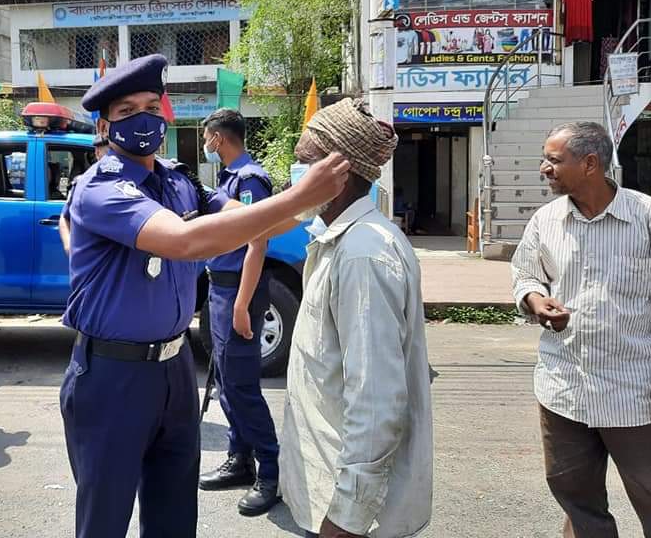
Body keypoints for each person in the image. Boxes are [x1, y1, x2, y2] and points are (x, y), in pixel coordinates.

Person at [61, 54, 351, 538]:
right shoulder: (101, 189)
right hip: (113, 375)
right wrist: (300, 197)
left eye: (152, 105)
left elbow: (256, 223)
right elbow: (185, 241)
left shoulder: (179, 180)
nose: (144, 119)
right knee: (104, 521)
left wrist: (313, 202)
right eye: (127, 111)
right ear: (105, 124)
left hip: (174, 369)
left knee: (175, 514)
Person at [279, 98, 433, 538]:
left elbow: (376, 399)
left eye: (304, 164)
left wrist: (347, 516)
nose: (296, 175)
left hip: (350, 516)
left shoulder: (363, 253)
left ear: (337, 173)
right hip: (330, 489)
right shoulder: (340, 239)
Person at [512, 121, 651, 538]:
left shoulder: (644, 217)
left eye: (554, 160)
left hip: (634, 392)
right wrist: (536, 301)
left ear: (590, 163)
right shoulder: (546, 220)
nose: (544, 168)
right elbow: (525, 274)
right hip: (563, 389)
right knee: (577, 501)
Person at [197, 108, 281, 517]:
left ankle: (270, 472)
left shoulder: (250, 181)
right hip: (219, 291)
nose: (205, 145)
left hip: (237, 294)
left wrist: (244, 306)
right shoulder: (229, 179)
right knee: (225, 383)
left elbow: (256, 244)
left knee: (242, 387)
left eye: (206, 138)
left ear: (218, 139)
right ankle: (240, 458)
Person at [58, 134, 109, 253]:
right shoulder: (82, 183)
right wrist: (69, 248)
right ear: (97, 153)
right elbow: (65, 218)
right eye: (108, 153)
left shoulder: (131, 184)